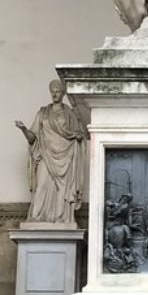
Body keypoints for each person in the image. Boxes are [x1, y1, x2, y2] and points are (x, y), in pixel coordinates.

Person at [14, 79, 86, 225]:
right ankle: (36, 217)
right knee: (41, 185)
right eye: (52, 91)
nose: (54, 94)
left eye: (57, 91)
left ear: (63, 94)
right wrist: (23, 129)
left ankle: (62, 218)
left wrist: (78, 137)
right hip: (46, 154)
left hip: (65, 157)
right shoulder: (43, 113)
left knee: (62, 190)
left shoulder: (70, 114)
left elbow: (79, 134)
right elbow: (32, 138)